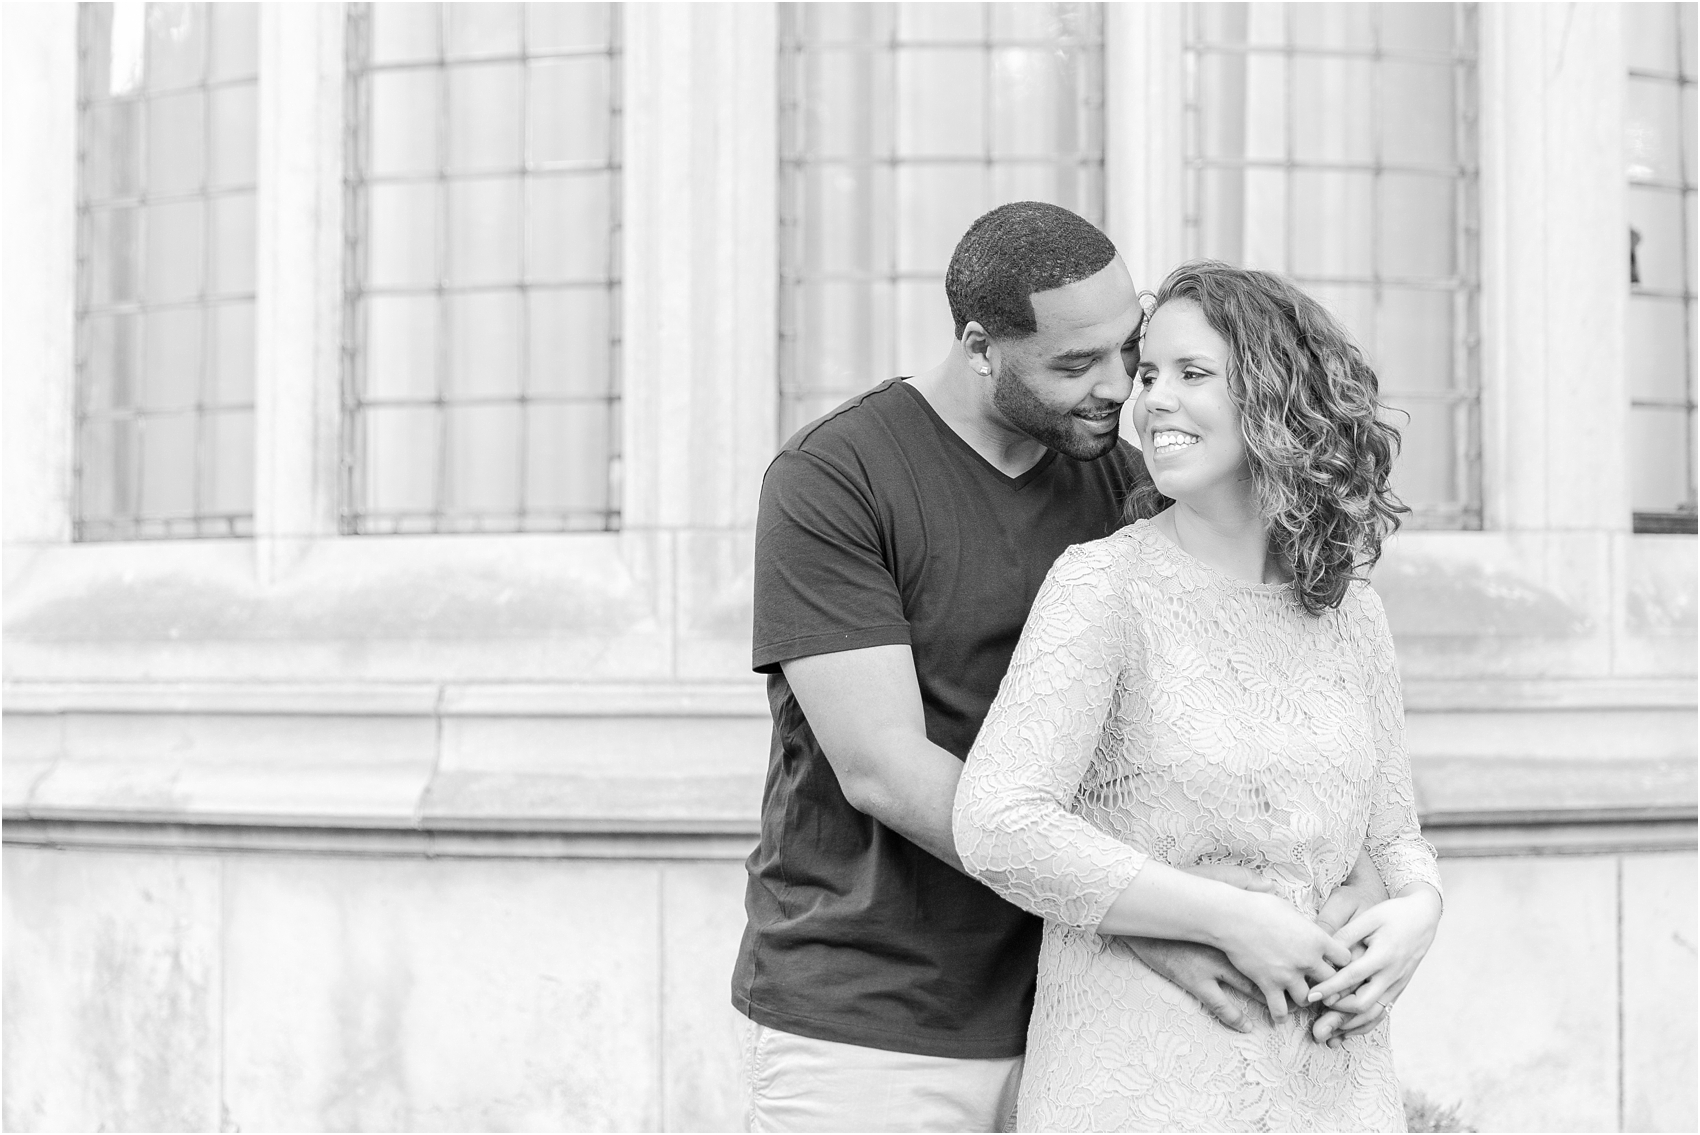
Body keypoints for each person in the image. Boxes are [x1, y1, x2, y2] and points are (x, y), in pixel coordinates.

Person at [731, 206, 1388, 1133]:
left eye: (1130, 352)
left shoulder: (1131, 484)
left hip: (1086, 1013)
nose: (1119, 387)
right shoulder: (835, 477)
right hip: (878, 1012)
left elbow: (1236, 703)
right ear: (980, 347)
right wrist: (1154, 919)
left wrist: (1370, 875)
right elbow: (882, 766)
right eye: (1075, 365)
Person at [952, 261, 1446, 1131]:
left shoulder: (1349, 612)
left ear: (1277, 398)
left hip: (1331, 1085)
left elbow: (1393, 833)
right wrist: (1228, 919)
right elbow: (998, 821)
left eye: (1192, 373)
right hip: (1144, 1080)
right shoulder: (1105, 586)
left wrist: (1419, 914)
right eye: (1149, 375)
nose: (1153, 401)